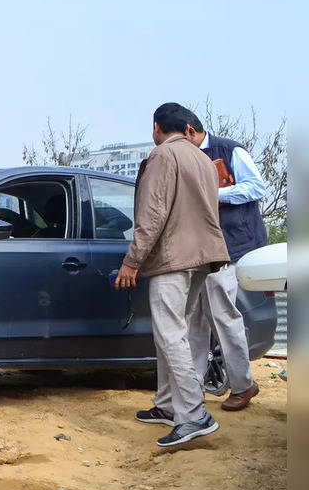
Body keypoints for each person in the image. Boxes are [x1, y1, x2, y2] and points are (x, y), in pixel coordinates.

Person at [115, 103, 231, 447]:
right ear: (187, 128)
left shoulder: (163, 156)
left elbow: (152, 214)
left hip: (173, 257)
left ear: (157, 127)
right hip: (203, 257)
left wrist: (132, 260)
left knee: (170, 335)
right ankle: (168, 405)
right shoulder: (203, 160)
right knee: (175, 333)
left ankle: (195, 415)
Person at [182, 114, 269, 411]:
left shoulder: (230, 151)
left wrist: (217, 194)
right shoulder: (187, 158)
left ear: (190, 131)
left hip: (229, 248)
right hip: (197, 249)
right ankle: (191, 389)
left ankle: (244, 385)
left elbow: (257, 187)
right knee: (195, 320)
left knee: (222, 314)